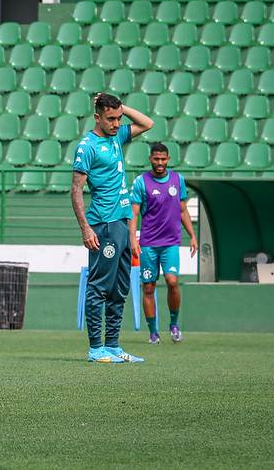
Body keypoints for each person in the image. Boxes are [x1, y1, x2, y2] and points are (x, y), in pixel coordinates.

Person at [71, 92, 153, 364]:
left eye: (119, 118)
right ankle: (96, 349)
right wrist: (85, 229)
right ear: (97, 117)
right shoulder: (87, 146)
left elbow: (147, 123)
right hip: (102, 225)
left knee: (119, 288)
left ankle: (114, 346)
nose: (117, 123)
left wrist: (122, 107)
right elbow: (76, 190)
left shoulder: (117, 135)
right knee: (99, 287)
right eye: (111, 118)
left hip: (121, 222)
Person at [129, 143, 198, 345]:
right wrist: (133, 239)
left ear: (168, 159)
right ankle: (153, 332)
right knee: (148, 287)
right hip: (149, 243)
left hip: (170, 242)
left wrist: (192, 235)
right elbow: (133, 212)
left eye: (163, 159)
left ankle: (174, 325)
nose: (160, 163)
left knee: (172, 281)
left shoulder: (178, 180)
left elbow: (183, 210)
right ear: (150, 159)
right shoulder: (141, 182)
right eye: (156, 159)